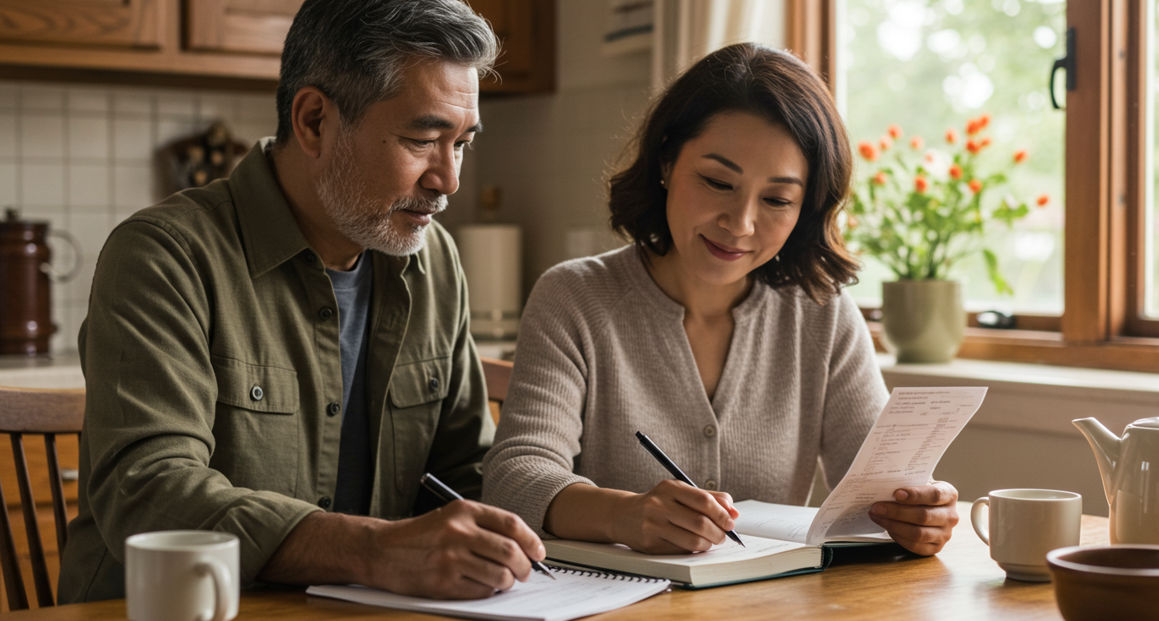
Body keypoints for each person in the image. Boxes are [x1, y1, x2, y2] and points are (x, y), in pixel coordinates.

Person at [59, 0, 545, 604]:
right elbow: (150, 493)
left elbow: (461, 476)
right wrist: (375, 551)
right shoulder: (165, 256)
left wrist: (587, 513)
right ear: (314, 121)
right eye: (422, 139)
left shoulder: (434, 260)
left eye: (462, 143)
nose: (448, 180)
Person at [482, 43, 959, 557]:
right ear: (666, 161)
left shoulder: (822, 313)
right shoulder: (574, 297)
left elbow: (879, 490)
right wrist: (624, 514)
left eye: (777, 199)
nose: (741, 224)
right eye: (717, 182)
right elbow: (514, 479)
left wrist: (918, 513)